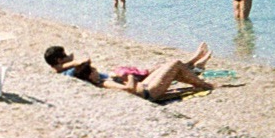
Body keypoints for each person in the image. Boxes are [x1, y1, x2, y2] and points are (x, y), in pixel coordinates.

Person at [43, 43, 214, 102]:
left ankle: (196, 67)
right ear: (59, 60)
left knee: (170, 68)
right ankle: (206, 83)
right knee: (174, 65)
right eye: (64, 56)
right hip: (147, 92)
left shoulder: (71, 74)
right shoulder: (97, 81)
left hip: (144, 87)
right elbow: (129, 90)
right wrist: (129, 76)